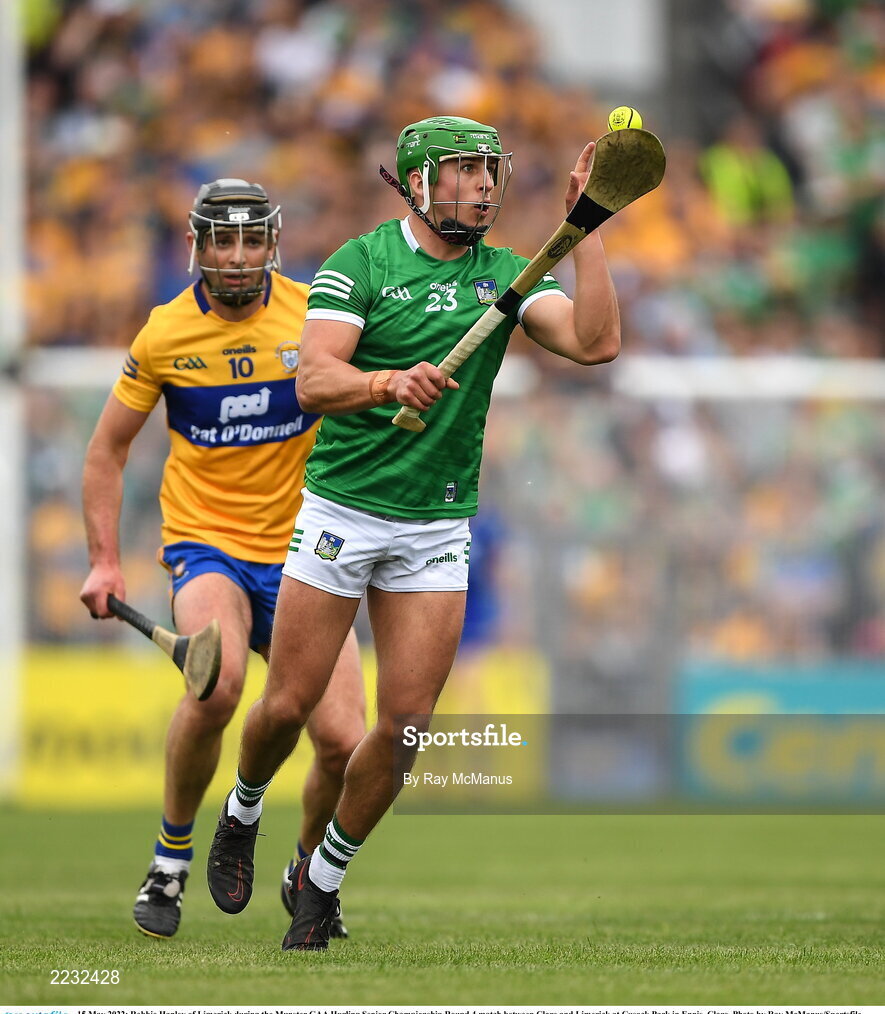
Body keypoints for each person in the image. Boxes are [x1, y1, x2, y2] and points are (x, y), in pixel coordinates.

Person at [206, 116, 621, 950]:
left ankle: (318, 879)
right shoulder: (360, 263)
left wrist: (587, 231)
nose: (481, 185)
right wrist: (388, 380)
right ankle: (242, 809)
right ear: (417, 181)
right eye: (463, 170)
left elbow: (595, 342)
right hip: (341, 511)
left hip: (435, 522)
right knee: (286, 705)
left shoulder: (506, 274)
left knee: (402, 730)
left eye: (488, 170)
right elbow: (315, 379)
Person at [79, 179, 366, 940]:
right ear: (195, 246)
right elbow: (107, 452)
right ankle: (169, 863)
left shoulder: (315, 314)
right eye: (220, 241)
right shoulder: (164, 334)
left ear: (273, 243)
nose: (236, 257)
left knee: (343, 742)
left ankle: (305, 872)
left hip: (310, 551)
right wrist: (105, 562)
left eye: (249, 241)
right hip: (209, 545)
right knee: (217, 685)